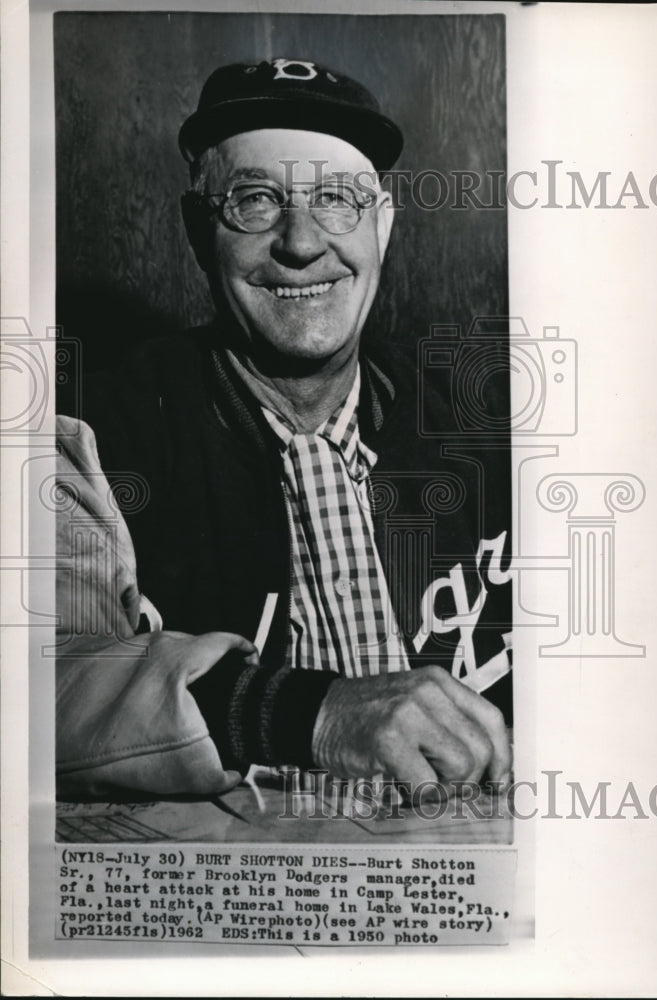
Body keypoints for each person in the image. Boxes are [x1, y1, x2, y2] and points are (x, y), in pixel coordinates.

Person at [56, 58, 512, 799]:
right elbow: (38, 674)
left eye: (337, 200)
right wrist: (311, 713)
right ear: (198, 231)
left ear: (383, 228)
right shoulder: (95, 436)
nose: (301, 242)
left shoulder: (488, 432)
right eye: (256, 200)